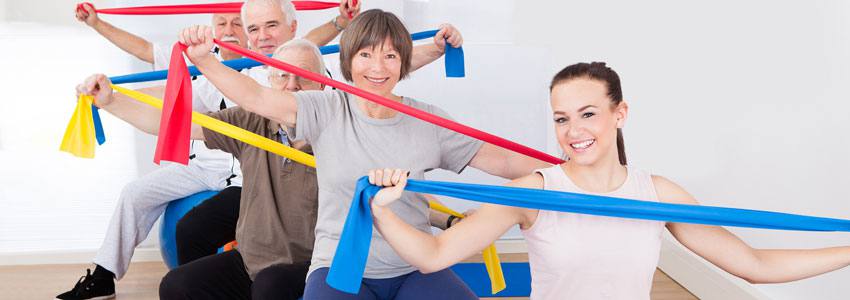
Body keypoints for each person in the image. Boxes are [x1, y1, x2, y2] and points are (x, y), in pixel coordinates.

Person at [367, 62, 850, 300]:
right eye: (561, 119)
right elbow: (433, 256)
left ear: (620, 114)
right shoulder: (535, 192)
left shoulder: (658, 195)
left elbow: (754, 264)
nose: (573, 132)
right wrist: (383, 210)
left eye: (588, 114)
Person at [176, 8, 549, 299]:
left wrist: (565, 171)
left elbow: (502, 160)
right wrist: (206, 60)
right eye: (366, 54)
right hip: (339, 265)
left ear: (403, 62)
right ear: (348, 60)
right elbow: (256, 97)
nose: (377, 67)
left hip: (412, 264)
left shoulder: (427, 120)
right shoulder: (324, 108)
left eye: (389, 56)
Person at [58, 2, 360, 299]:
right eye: (251, 27)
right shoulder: (236, 95)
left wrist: (340, 23)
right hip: (223, 166)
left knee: (272, 280)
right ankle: (104, 275)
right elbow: (173, 114)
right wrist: (112, 99)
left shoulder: (332, 113)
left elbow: (306, 53)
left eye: (267, 25)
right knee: (180, 257)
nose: (290, 85)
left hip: (284, 221)